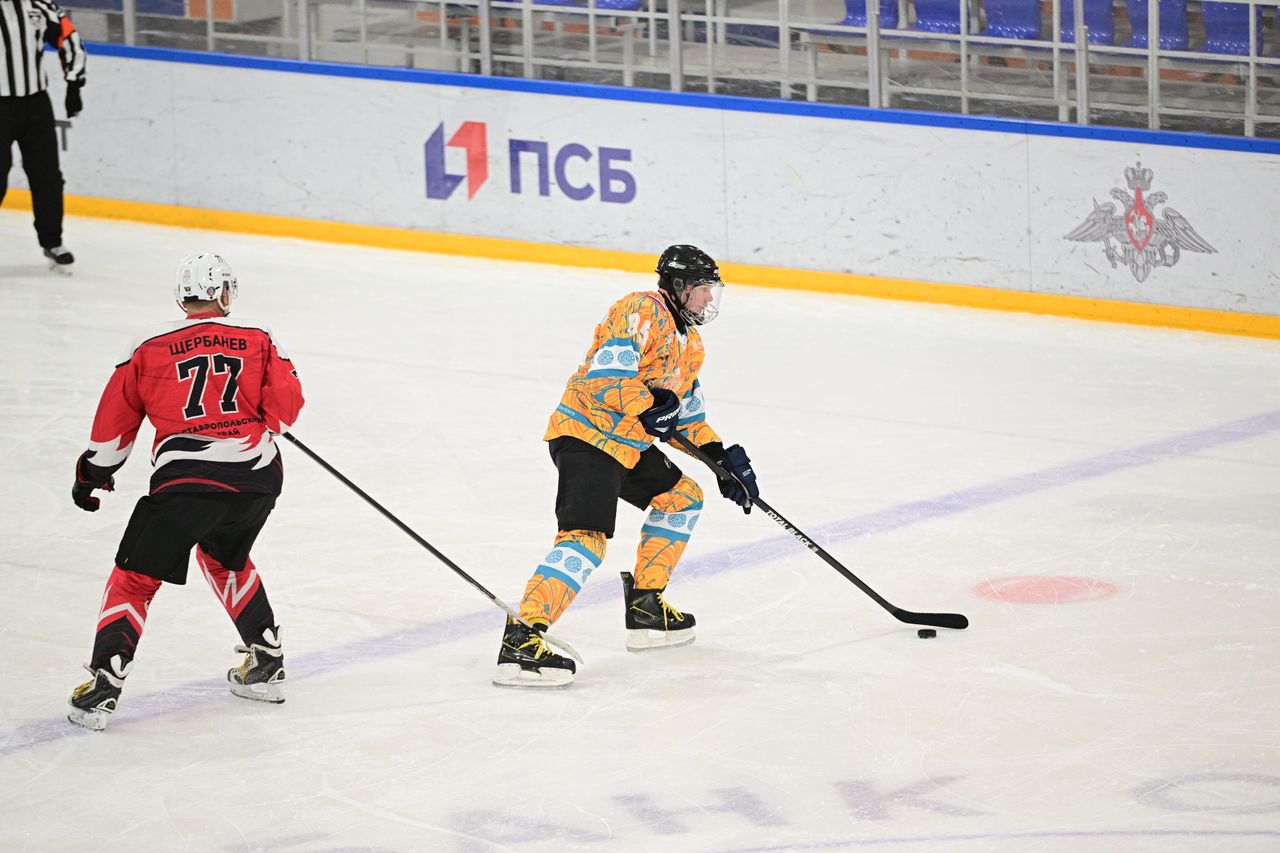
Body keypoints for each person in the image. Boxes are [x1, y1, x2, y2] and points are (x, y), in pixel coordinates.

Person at [493, 244, 760, 689]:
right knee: (586, 538)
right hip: (586, 435)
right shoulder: (639, 310)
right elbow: (604, 379)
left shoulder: (691, 345)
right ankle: (523, 637)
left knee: (682, 498)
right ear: (679, 286)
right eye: (703, 289)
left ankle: (646, 606)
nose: (708, 299)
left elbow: (685, 418)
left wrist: (720, 460)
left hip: (626, 445)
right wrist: (649, 402)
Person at [66, 253, 305, 731]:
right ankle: (266, 661)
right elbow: (285, 411)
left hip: (188, 485)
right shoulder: (259, 336)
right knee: (224, 558)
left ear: (183, 296)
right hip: (257, 479)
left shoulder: (148, 344)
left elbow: (115, 425)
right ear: (223, 293)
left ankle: (104, 685)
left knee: (134, 579)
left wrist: (92, 473)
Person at [0, 0, 86, 270]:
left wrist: (74, 84)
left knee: (47, 176)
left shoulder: (37, 4)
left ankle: (52, 241)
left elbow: (68, 36)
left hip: (35, 103)